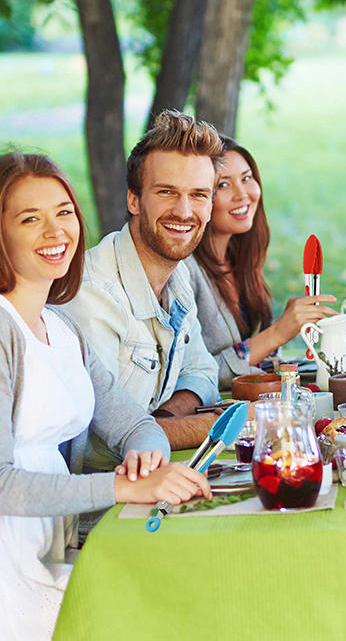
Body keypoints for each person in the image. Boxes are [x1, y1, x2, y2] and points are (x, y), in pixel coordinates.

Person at [0, 152, 210, 639]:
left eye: (64, 212)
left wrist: (145, 458)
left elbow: (135, 424)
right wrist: (125, 488)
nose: (56, 232)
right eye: (30, 219)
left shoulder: (59, 327)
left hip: (51, 545)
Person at [63, 110, 224, 458]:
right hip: (104, 488)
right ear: (133, 200)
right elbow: (99, 445)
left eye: (199, 195)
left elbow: (202, 370)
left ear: (211, 205)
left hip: (153, 472)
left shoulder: (177, 273)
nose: (184, 211)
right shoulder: (93, 294)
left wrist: (159, 423)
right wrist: (222, 425)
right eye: (167, 192)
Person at [185, 136, 337, 388]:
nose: (242, 194)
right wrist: (278, 333)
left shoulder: (239, 258)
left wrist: (289, 324)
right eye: (223, 185)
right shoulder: (185, 271)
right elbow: (192, 375)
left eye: (246, 178)